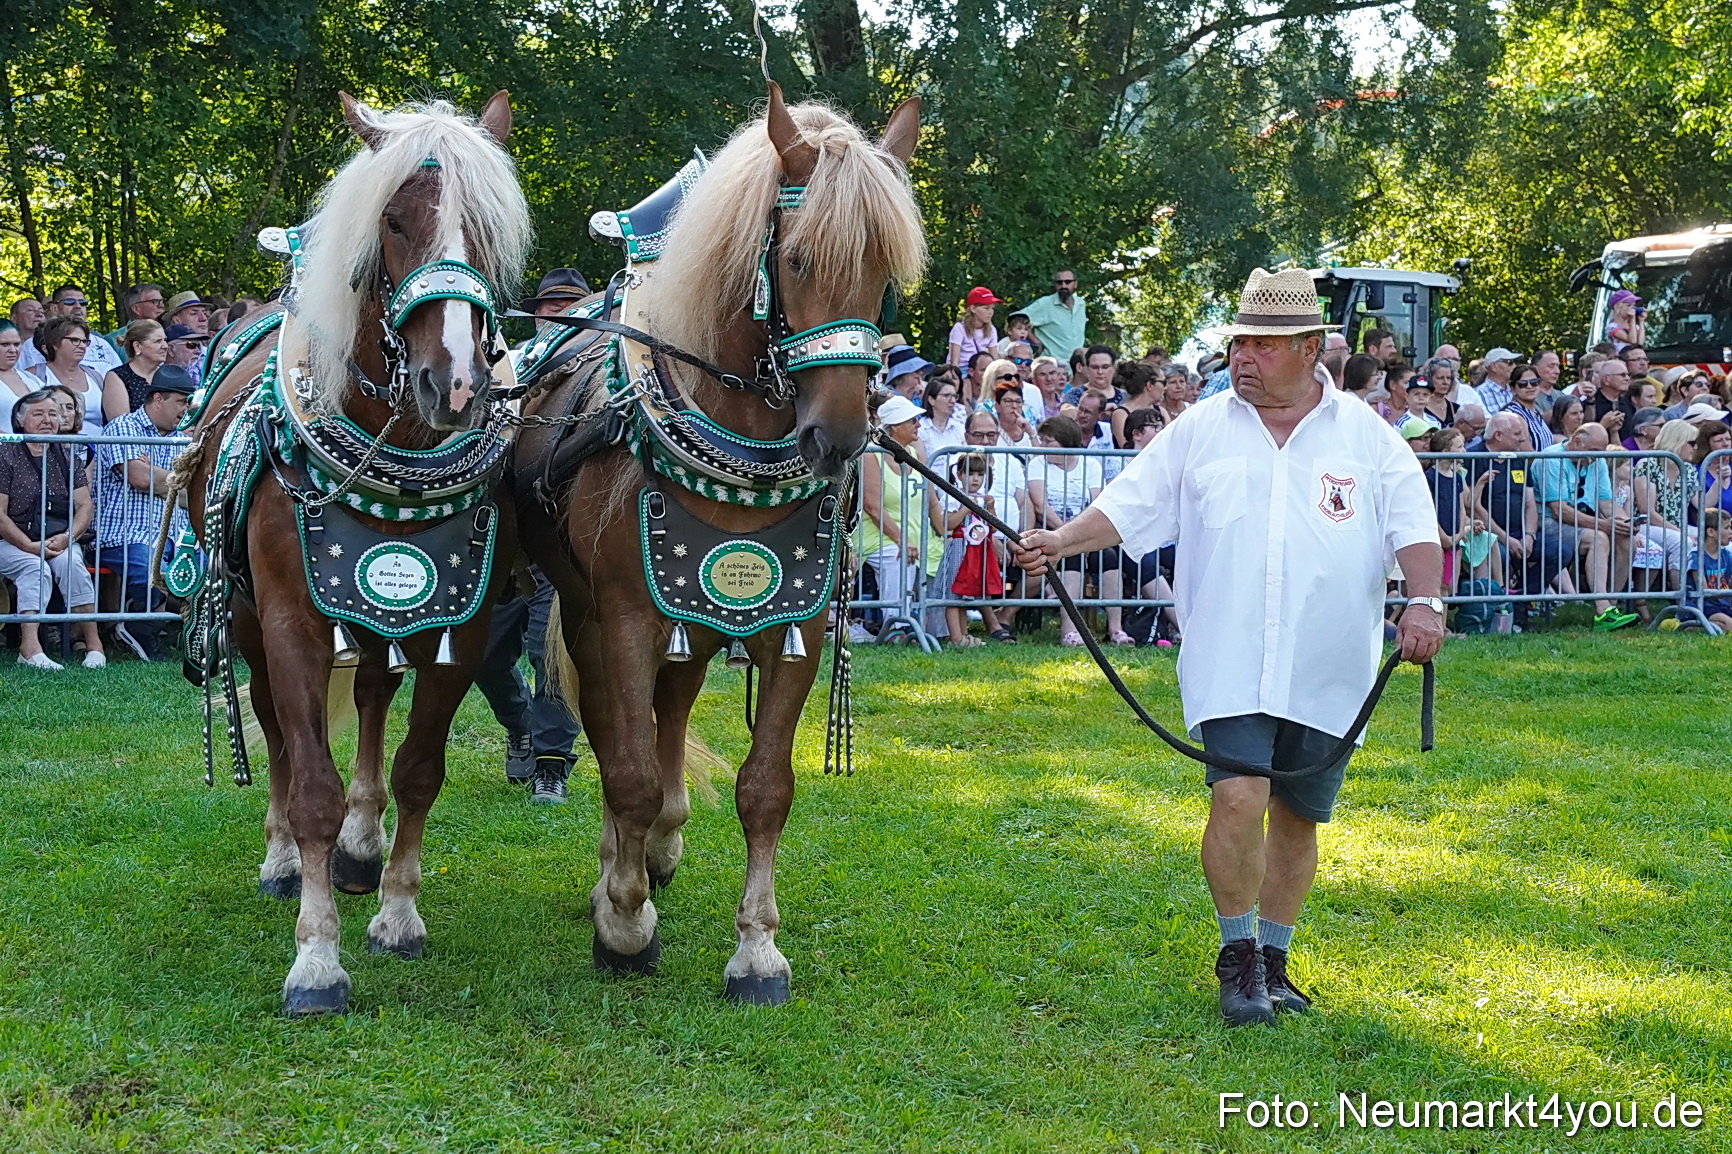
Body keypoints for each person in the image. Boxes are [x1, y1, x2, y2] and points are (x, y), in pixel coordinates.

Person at [1013, 266, 1444, 1027]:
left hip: (1328, 660)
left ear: (1311, 347)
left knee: (1300, 816)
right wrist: (1060, 540)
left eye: (1264, 346)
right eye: (1239, 342)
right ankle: (1237, 956)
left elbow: (1413, 526)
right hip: (1230, 653)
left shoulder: (1368, 437)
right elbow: (1129, 505)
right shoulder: (1202, 429)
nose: (1244, 358)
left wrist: (1425, 602)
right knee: (1239, 795)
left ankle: (1276, 960)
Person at [94, 365, 195, 661]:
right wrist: (174, 481)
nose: (186, 409)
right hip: (124, 535)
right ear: (158, 399)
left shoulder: (184, 438)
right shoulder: (124, 427)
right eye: (181, 401)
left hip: (177, 535)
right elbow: (139, 477)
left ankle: (140, 623)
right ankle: (141, 625)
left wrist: (158, 478)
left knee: (205, 576)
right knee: (159, 577)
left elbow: (193, 493)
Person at [0, 390, 106, 669]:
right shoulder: (6, 454)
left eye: (52, 413)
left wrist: (68, 537)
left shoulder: (68, 455)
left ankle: (95, 646)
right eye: (38, 413)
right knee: (35, 568)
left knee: (72, 563)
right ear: (21, 421)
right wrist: (28, 545)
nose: (47, 419)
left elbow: (85, 506)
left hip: (57, 537)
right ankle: (29, 648)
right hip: (11, 540)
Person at [475, 566, 582, 803]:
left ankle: (551, 765)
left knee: (552, 654)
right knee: (482, 656)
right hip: (502, 559)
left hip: (556, 558)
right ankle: (520, 722)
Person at [1532, 422, 1640, 630]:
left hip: (1581, 521)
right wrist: (1604, 525)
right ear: (1577, 441)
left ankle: (1611, 607)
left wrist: (1625, 522)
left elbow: (1607, 502)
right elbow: (1559, 510)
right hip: (1547, 523)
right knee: (1597, 538)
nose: (1598, 457)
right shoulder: (1552, 458)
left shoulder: (1596, 460)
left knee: (1628, 541)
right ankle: (1602, 609)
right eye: (1594, 451)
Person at [860, 395, 941, 636]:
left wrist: (944, 529)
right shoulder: (870, 455)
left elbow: (932, 501)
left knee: (948, 553)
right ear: (895, 426)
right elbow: (872, 506)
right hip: (877, 535)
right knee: (896, 557)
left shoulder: (918, 455)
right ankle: (897, 626)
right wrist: (901, 539)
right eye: (913, 420)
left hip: (917, 534)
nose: (919, 424)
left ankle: (939, 629)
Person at [930, 452, 1010, 647]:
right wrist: (966, 507)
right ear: (959, 475)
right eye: (970, 473)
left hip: (977, 553)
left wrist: (991, 509)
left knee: (963, 594)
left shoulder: (982, 498)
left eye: (980, 474)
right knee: (952, 595)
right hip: (959, 549)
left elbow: (990, 528)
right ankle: (956, 638)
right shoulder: (953, 496)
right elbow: (948, 523)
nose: (975, 479)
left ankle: (964, 636)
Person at [1632, 420, 1697, 591]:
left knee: (1717, 538)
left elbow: (1701, 503)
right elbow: (1648, 512)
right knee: (1681, 541)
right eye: (1692, 443)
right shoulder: (1648, 465)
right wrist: (1682, 532)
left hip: (1676, 526)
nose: (1695, 448)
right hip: (1645, 526)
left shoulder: (1689, 469)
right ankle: (1680, 598)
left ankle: (1716, 596)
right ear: (1678, 441)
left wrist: (1720, 480)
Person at [19, 285, 121, 378]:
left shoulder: (102, 344)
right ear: (54, 308)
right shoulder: (32, 346)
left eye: (83, 303)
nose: (78, 306)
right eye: (69, 302)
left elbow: (120, 378)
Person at [30, 316, 106, 429]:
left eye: (85, 341)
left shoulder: (95, 376)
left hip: (97, 443)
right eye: (75, 340)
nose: (82, 346)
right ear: (55, 344)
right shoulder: (34, 375)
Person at [102, 319, 168, 420]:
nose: (165, 346)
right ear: (137, 346)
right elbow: (120, 424)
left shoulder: (168, 375)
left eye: (165, 340)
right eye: (158, 341)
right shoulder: (118, 377)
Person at [1021, 270, 1087, 369]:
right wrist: (1036, 342)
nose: (1063, 286)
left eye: (1067, 282)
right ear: (1055, 285)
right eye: (1059, 282)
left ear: (1075, 284)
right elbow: (1017, 318)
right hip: (1051, 367)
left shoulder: (1081, 304)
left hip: (1076, 367)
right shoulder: (1045, 304)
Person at [1687, 509, 1732, 632]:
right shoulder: (1696, 557)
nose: (1730, 532)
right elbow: (1704, 590)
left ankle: (1710, 626)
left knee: (1726, 625)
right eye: (1727, 528)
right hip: (1703, 607)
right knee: (1730, 625)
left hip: (1723, 605)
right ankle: (1687, 625)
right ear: (1711, 532)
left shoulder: (1726, 555)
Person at [0, 321, 43, 431]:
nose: (13, 350)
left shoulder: (32, 380)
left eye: (16, 344)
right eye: (5, 344)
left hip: (35, 446)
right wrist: (11, 442)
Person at [1501, 364, 1551, 458]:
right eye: (1523, 384)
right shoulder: (1512, 414)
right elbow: (1526, 453)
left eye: (1534, 382)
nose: (1529, 386)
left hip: (1543, 469)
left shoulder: (1535, 413)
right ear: (1513, 388)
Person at [103, 283, 166, 354]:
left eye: (161, 301)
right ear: (136, 309)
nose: (161, 305)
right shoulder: (112, 340)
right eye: (154, 302)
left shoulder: (171, 332)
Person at [948, 287, 1002, 367]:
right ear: (973, 308)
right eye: (986, 308)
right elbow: (954, 363)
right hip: (961, 369)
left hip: (979, 369)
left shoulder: (992, 330)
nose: (990, 312)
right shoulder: (959, 328)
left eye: (992, 308)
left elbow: (994, 360)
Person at [1109, 361, 1159, 447]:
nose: (1165, 388)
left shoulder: (1161, 411)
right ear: (1149, 385)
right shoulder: (1121, 414)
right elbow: (1125, 447)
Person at [917, 373, 966, 458]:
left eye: (954, 396)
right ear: (931, 400)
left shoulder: (960, 429)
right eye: (947, 396)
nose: (953, 401)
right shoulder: (920, 430)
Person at [1586, 356, 1635, 440]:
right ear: (1606, 380)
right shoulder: (1592, 402)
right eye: (1622, 375)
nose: (1627, 378)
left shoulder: (1628, 403)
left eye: (1628, 375)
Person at [1698, 421, 1732, 517]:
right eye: (1719, 440)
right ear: (1707, 445)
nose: (1726, 444)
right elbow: (1703, 506)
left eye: (1728, 439)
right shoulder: (1696, 471)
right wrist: (1719, 480)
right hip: (1710, 528)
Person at [1475, 348, 1520, 414]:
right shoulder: (1479, 394)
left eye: (1514, 362)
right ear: (1493, 366)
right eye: (1509, 362)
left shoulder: (1516, 391)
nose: (1514, 366)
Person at [1025, 357, 1065, 424]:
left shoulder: (1065, 401)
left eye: (1052, 373)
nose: (1049, 378)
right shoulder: (1030, 404)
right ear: (1034, 379)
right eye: (1042, 374)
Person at [1531, 349, 1564, 415]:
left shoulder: (1560, 395)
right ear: (1535, 369)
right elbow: (1538, 421)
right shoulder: (1528, 395)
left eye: (1558, 366)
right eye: (1551, 366)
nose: (1557, 371)